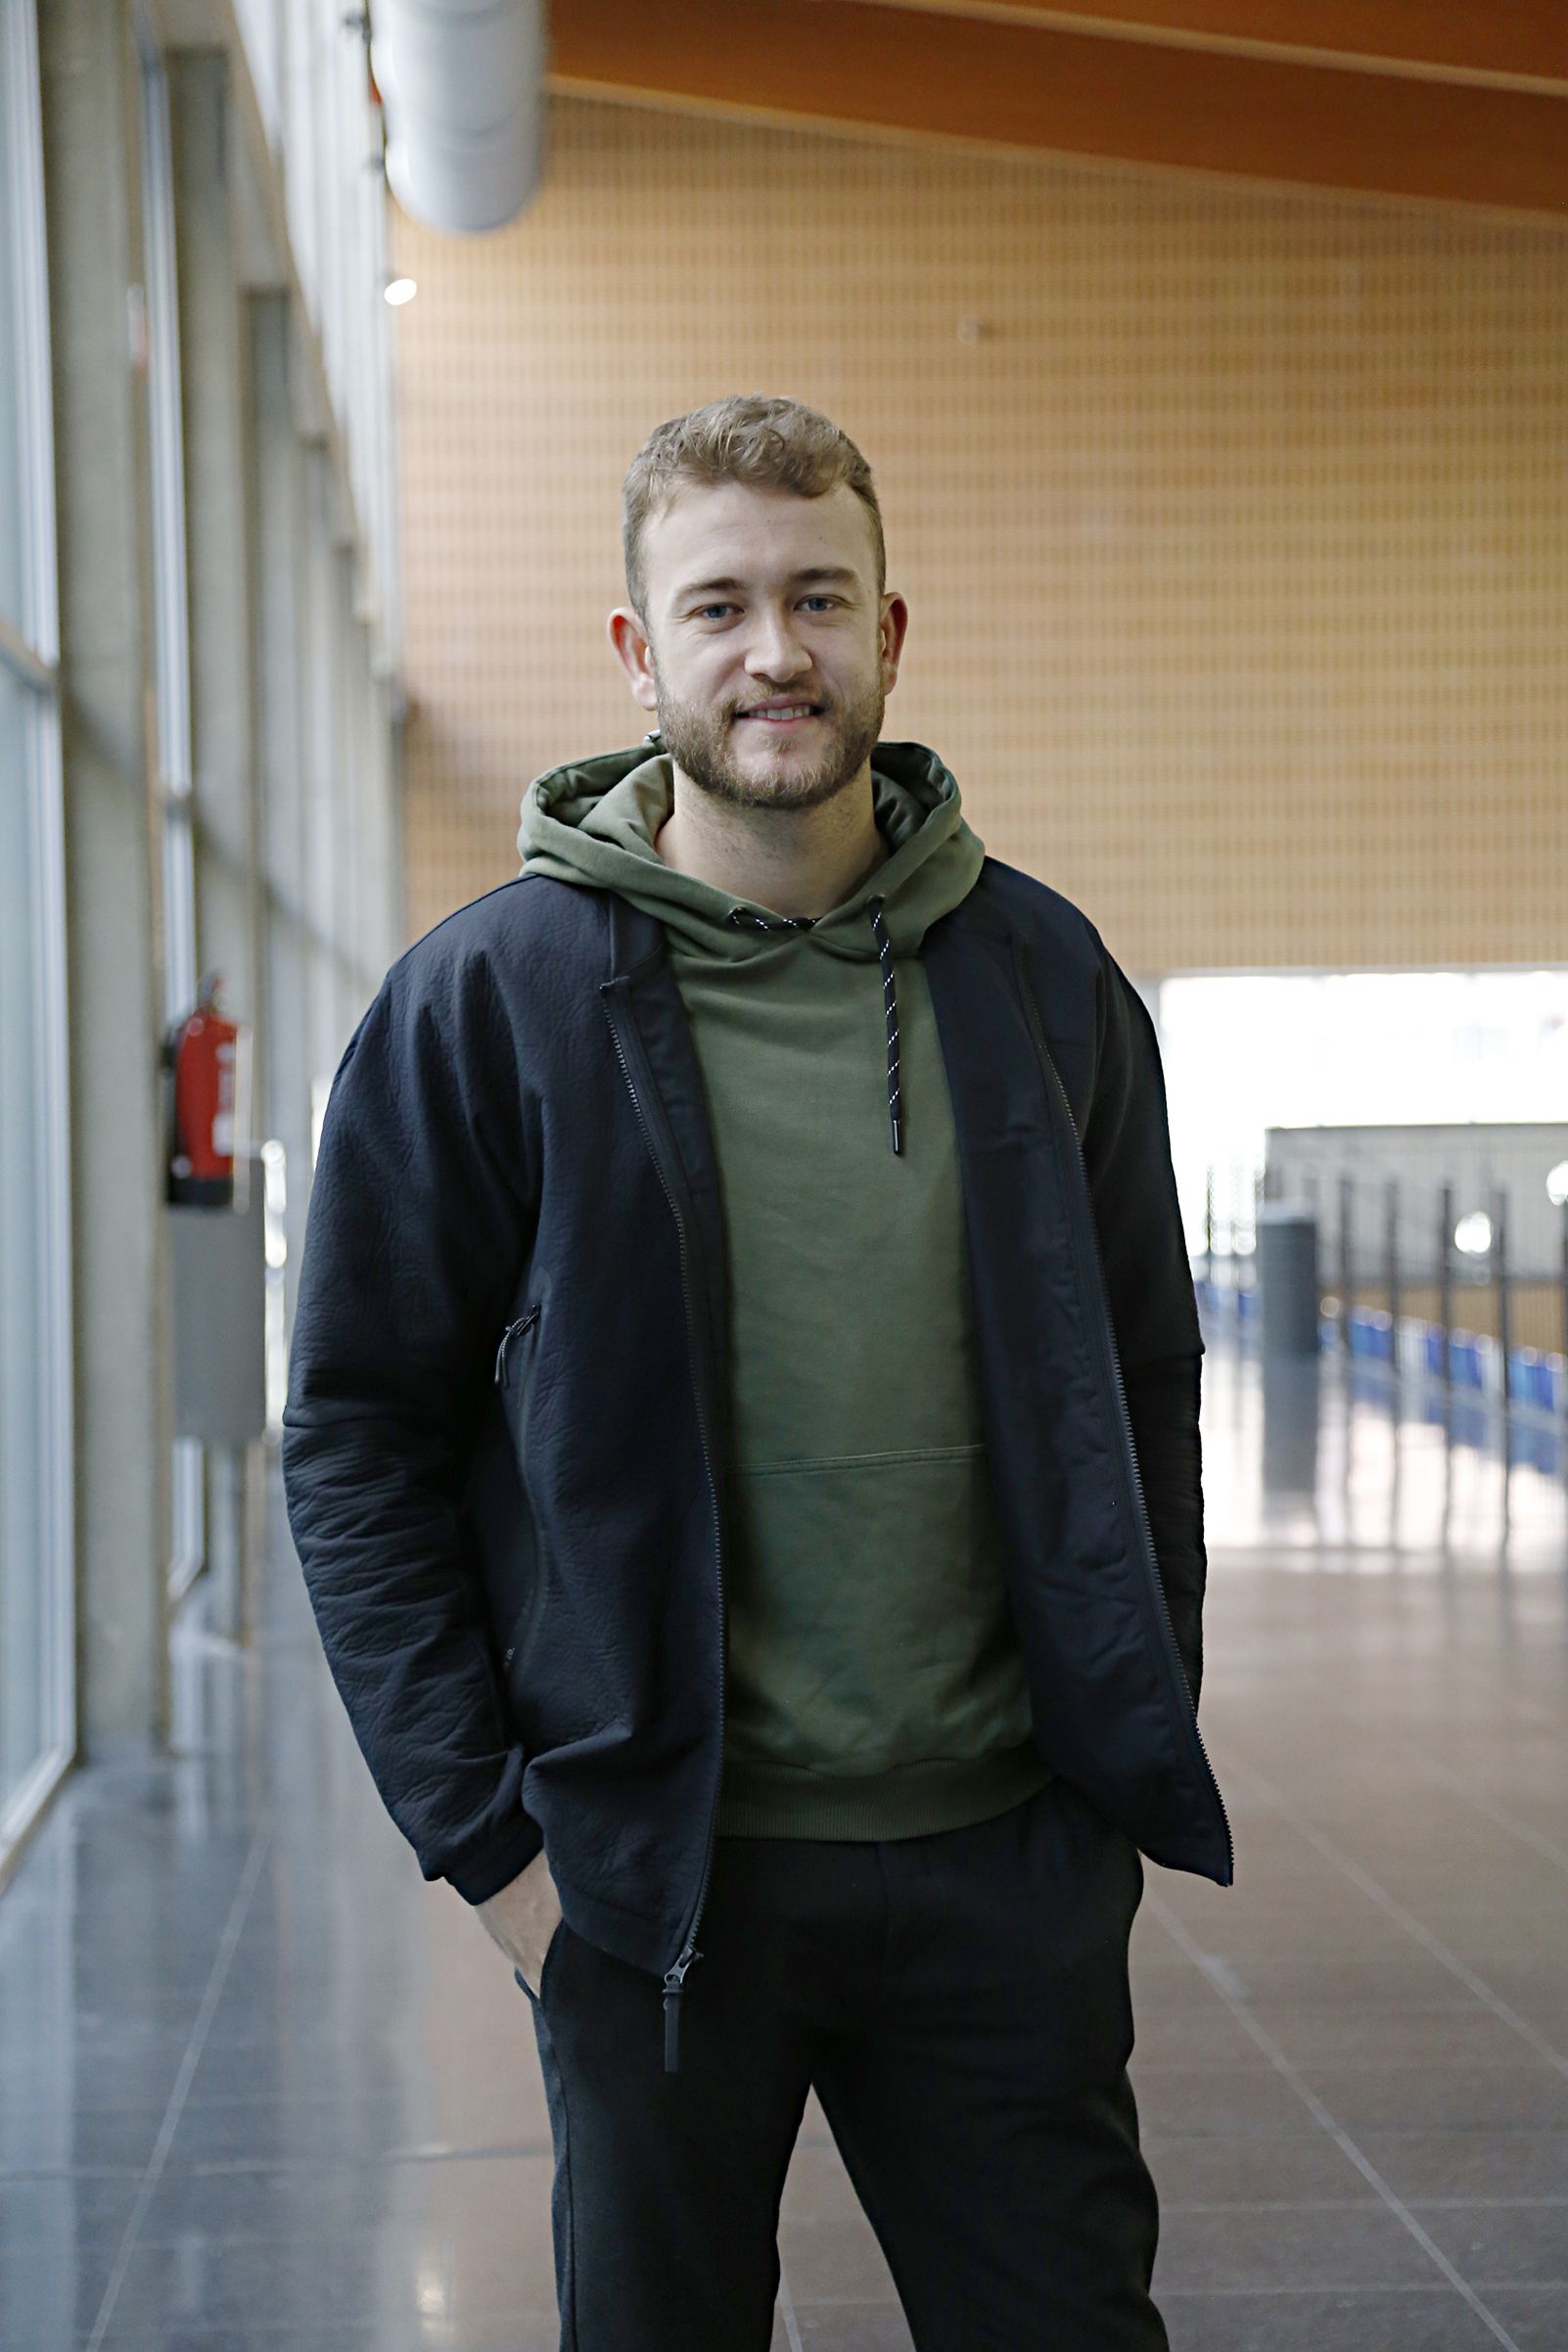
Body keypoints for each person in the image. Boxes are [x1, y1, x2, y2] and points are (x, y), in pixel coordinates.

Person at [282, 392, 1232, 2351]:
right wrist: (496, 1845)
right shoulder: (493, 1000)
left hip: (1001, 1866)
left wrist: (1118, 1757)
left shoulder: (1043, 981)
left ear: (894, 629)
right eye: (718, 605)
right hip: (650, 1883)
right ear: (639, 652)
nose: (775, 651)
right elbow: (359, 1432)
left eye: (820, 597)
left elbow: (1145, 1372)